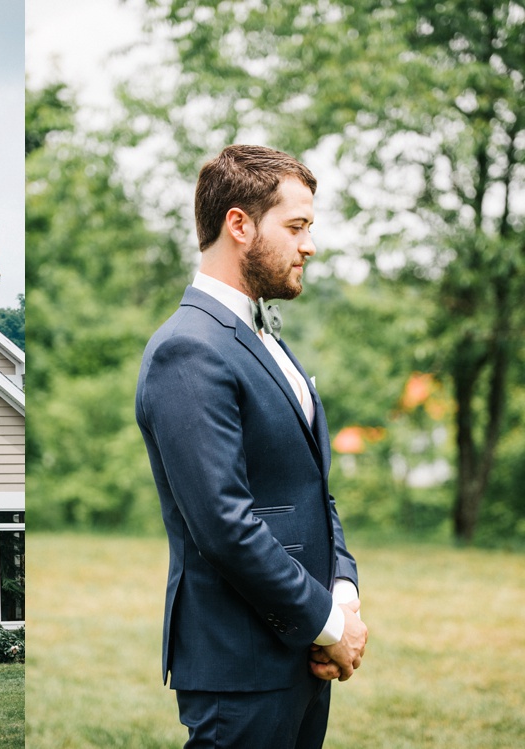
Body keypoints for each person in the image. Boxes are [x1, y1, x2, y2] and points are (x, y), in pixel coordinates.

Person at [135, 144, 368, 748]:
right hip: (239, 668)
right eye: (296, 227)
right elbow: (225, 526)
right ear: (239, 224)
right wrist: (325, 624)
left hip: (298, 658)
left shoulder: (260, 337)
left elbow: (311, 491)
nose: (309, 245)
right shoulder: (186, 349)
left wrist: (342, 597)